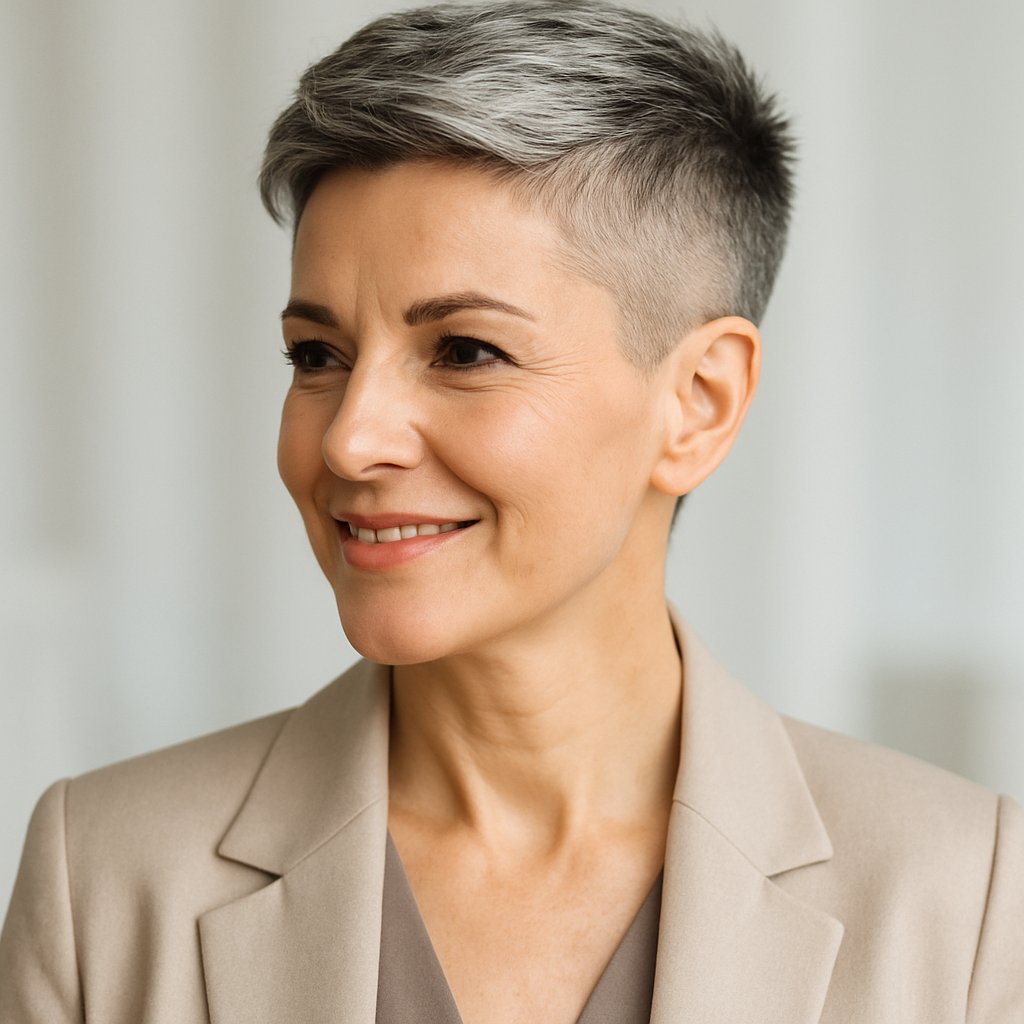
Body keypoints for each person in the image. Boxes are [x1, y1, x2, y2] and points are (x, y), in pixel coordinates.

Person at [1, 1, 1022, 1020]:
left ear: (698, 403)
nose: (351, 439)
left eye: (464, 352)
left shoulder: (960, 899)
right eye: (317, 355)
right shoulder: (106, 876)